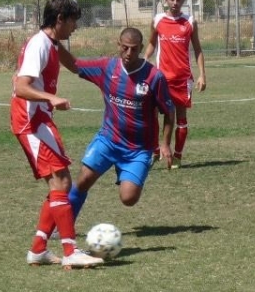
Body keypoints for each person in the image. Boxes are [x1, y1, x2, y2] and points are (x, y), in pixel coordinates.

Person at [11, 0, 104, 269]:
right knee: (61, 182)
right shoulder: (39, 44)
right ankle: (70, 251)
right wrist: (51, 98)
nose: (75, 27)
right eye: (73, 21)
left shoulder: (52, 43)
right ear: (60, 19)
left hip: (39, 119)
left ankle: (38, 250)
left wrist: (107, 74)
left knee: (59, 185)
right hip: (30, 121)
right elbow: (21, 87)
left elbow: (74, 65)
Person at [55, 27, 175, 224]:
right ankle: (64, 226)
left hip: (139, 149)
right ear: (118, 45)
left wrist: (165, 143)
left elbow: (169, 112)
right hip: (109, 140)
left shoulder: (154, 77)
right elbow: (75, 65)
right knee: (83, 180)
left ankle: (128, 170)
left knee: (128, 198)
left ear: (141, 48)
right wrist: (53, 42)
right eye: (125, 47)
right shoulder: (107, 68)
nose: (129, 53)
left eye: (134, 49)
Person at [144, 0, 206, 169]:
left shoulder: (189, 22)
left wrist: (202, 75)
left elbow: (198, 49)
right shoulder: (158, 20)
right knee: (152, 114)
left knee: (181, 119)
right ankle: (156, 150)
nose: (175, 2)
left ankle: (177, 156)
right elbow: (151, 43)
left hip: (182, 79)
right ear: (166, 0)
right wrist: (144, 60)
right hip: (161, 78)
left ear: (183, 0)